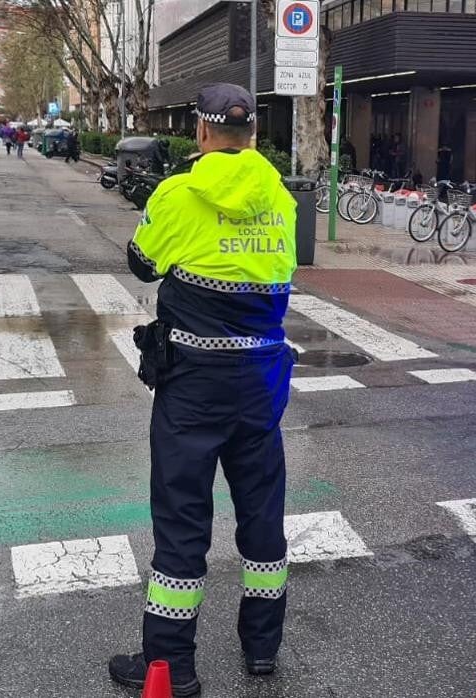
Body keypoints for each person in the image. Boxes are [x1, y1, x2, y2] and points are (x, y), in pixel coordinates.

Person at [110, 83, 297, 696]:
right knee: (263, 513)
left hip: (193, 381)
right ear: (253, 134)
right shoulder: (281, 195)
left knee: (183, 520)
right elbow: (283, 273)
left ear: (200, 131)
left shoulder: (178, 191)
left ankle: (169, 667)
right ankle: (262, 648)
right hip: (262, 379)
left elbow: (142, 262)